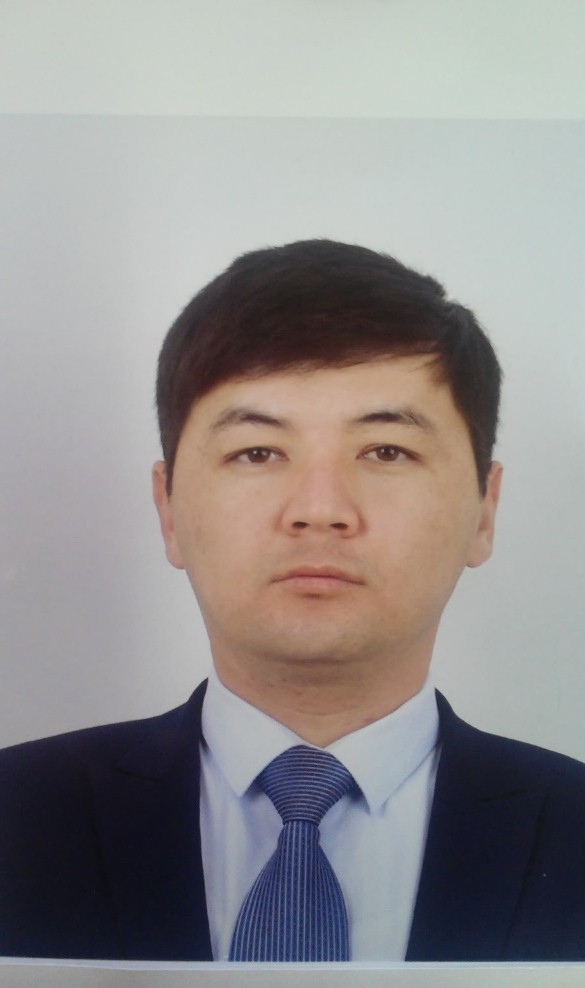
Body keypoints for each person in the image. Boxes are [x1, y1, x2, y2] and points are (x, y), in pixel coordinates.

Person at [1, 239, 585, 963]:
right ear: (168, 509)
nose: (319, 510)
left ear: (484, 511)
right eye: (257, 452)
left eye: (386, 451)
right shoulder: (16, 816)